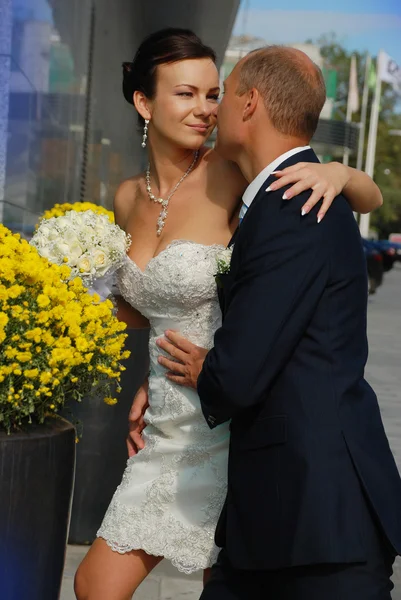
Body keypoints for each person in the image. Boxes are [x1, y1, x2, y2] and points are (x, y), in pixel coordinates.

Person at [74, 29, 383, 600]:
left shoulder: (233, 171)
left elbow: (358, 200)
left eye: (214, 94)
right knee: (94, 585)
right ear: (144, 102)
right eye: (187, 94)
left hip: (233, 416)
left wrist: (340, 174)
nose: (205, 109)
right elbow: (144, 310)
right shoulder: (123, 198)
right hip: (167, 422)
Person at [154, 46, 401, 599]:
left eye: (223, 94)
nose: (211, 110)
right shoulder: (284, 192)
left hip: (315, 518)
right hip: (288, 518)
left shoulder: (293, 202)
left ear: (251, 103)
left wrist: (205, 372)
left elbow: (240, 373)